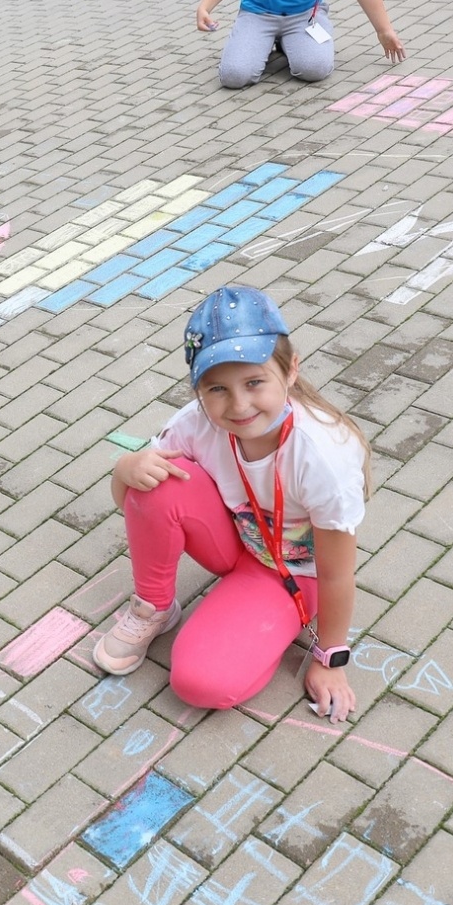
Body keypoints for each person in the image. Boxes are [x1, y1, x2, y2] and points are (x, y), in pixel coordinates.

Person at [94, 286, 370, 722]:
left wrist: (329, 658)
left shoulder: (321, 456)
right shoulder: (195, 423)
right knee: (155, 477)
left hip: (291, 574)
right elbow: (134, 505)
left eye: (254, 383)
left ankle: (259, 612)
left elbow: (337, 574)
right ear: (198, 390)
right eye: (218, 388)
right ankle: (155, 608)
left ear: (291, 370)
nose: (239, 405)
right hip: (235, 543)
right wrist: (124, 470)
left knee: (200, 682)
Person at [197, 0, 407, 89]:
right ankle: (263, 41)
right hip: (259, 13)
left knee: (314, 68)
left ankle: (287, 42)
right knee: (234, 76)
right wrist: (205, 7)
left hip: (305, 16)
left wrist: (383, 30)